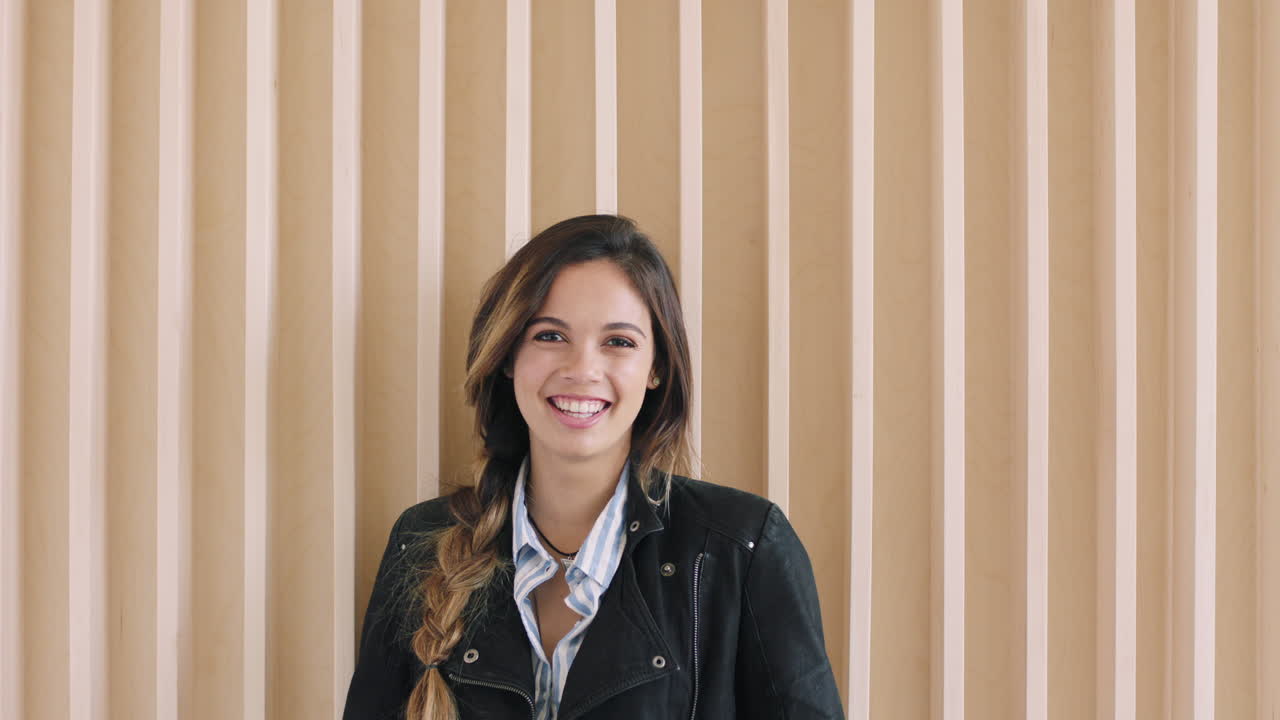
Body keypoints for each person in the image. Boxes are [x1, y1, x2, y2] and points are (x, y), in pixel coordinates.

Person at [342, 214, 843, 719]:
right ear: (507, 355)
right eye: (549, 336)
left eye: (618, 342)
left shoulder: (742, 547)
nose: (582, 369)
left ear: (657, 368)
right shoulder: (422, 541)